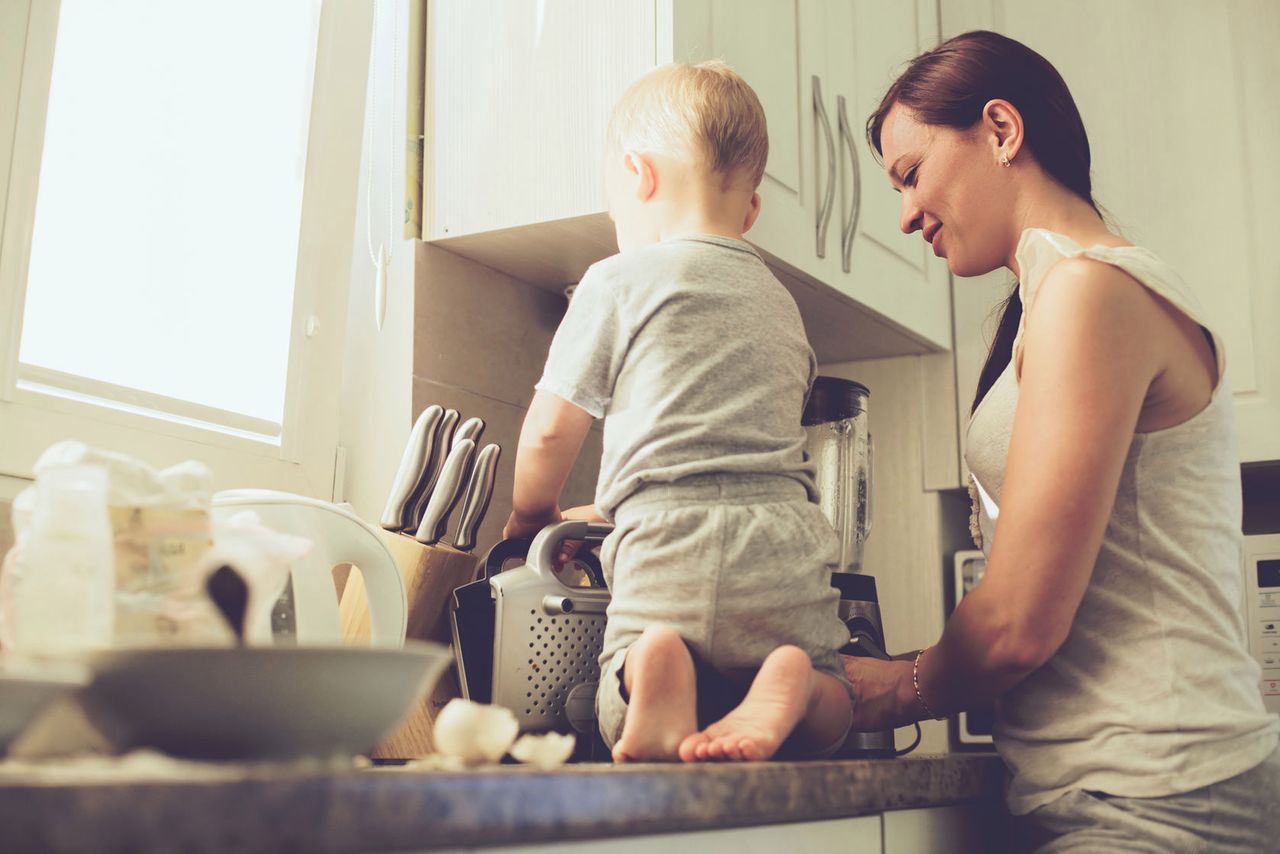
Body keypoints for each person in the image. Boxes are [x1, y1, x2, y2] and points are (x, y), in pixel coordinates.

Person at [844, 29, 1280, 851]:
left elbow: (1016, 624)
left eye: (911, 174)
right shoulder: (1062, 295)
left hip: (1162, 798)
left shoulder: (1089, 292)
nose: (904, 214)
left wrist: (894, 688)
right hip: (1121, 790)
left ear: (1001, 130)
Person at [503, 61, 854, 763]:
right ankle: (799, 684)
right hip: (785, 538)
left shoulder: (616, 280)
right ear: (751, 211)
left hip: (667, 544)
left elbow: (550, 426)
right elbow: (733, 452)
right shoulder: (781, 302)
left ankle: (650, 666)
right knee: (835, 708)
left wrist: (531, 515)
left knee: (615, 702)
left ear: (638, 176)